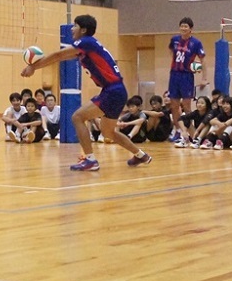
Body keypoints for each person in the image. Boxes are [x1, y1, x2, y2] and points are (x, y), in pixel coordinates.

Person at [21, 14, 151, 171]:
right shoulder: (88, 45)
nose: (72, 29)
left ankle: (91, 160)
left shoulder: (86, 42)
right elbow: (61, 57)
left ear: (83, 30)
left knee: (77, 117)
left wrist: (34, 66)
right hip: (115, 90)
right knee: (108, 132)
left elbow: (58, 55)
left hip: (112, 90)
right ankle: (140, 155)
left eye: (75, 26)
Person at [167, 17, 205, 143]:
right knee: (174, 105)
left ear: (191, 29)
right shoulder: (174, 40)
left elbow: (203, 60)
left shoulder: (196, 43)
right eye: (181, 26)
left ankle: (191, 132)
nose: (183, 28)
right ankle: (178, 131)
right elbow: (171, 51)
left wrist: (204, 78)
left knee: (187, 106)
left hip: (186, 76)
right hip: (174, 75)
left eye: (186, 26)